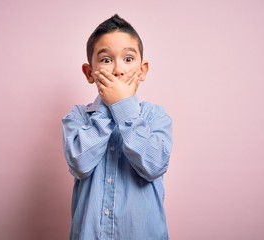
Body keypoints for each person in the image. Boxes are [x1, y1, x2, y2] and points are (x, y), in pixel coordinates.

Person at [62, 14, 172, 240]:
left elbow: (154, 165)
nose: (117, 70)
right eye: (105, 60)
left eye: (128, 59)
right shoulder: (78, 117)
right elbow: (80, 164)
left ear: (143, 70)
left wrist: (124, 108)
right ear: (89, 73)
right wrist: (110, 106)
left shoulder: (156, 116)